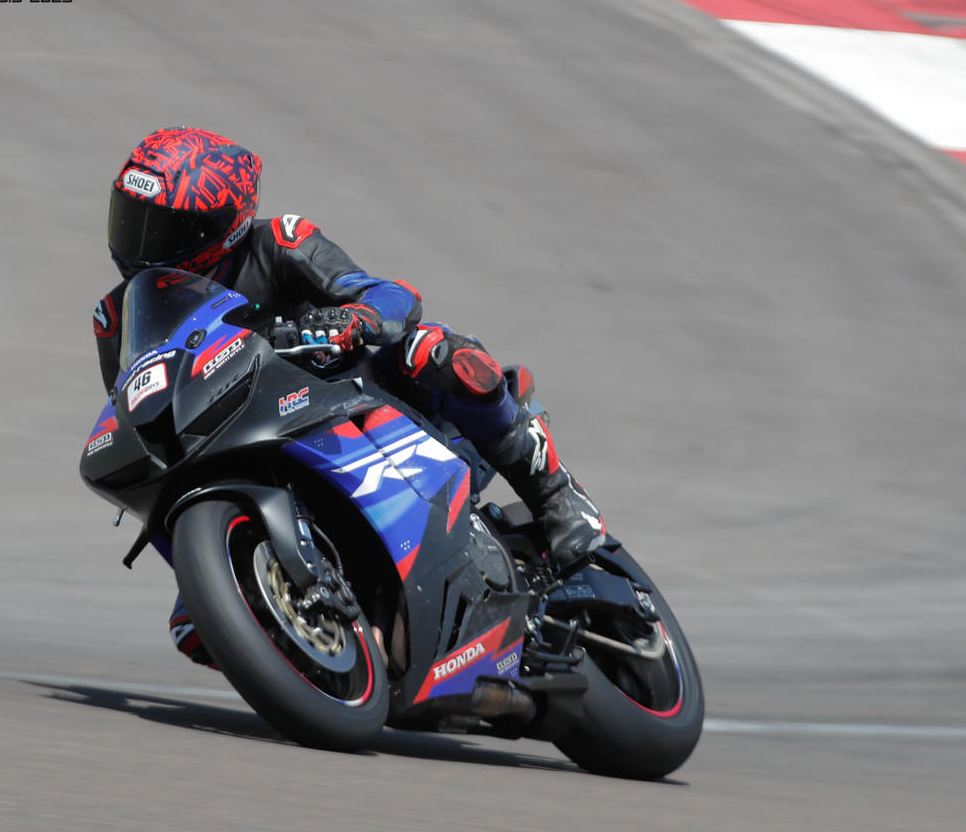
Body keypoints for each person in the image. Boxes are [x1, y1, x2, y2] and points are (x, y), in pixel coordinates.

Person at [94, 126, 607, 665]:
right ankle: (333, 648)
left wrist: (353, 318)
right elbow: (137, 402)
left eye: (166, 229)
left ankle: (555, 495)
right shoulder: (118, 316)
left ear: (226, 225)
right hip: (243, 438)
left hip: (353, 401)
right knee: (194, 628)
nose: (142, 245)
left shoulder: (279, 243)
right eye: (131, 219)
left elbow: (391, 295)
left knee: (436, 350)